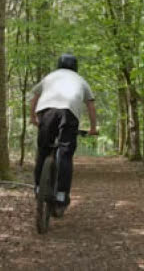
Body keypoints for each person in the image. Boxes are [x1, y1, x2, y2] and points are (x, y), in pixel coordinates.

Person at [30, 53, 98, 207]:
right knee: (65, 154)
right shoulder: (81, 80)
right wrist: (93, 128)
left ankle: (38, 187)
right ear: (75, 66)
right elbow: (90, 105)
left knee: (43, 150)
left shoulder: (50, 77)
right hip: (69, 112)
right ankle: (61, 194)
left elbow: (35, 97)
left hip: (46, 111)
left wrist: (32, 118)